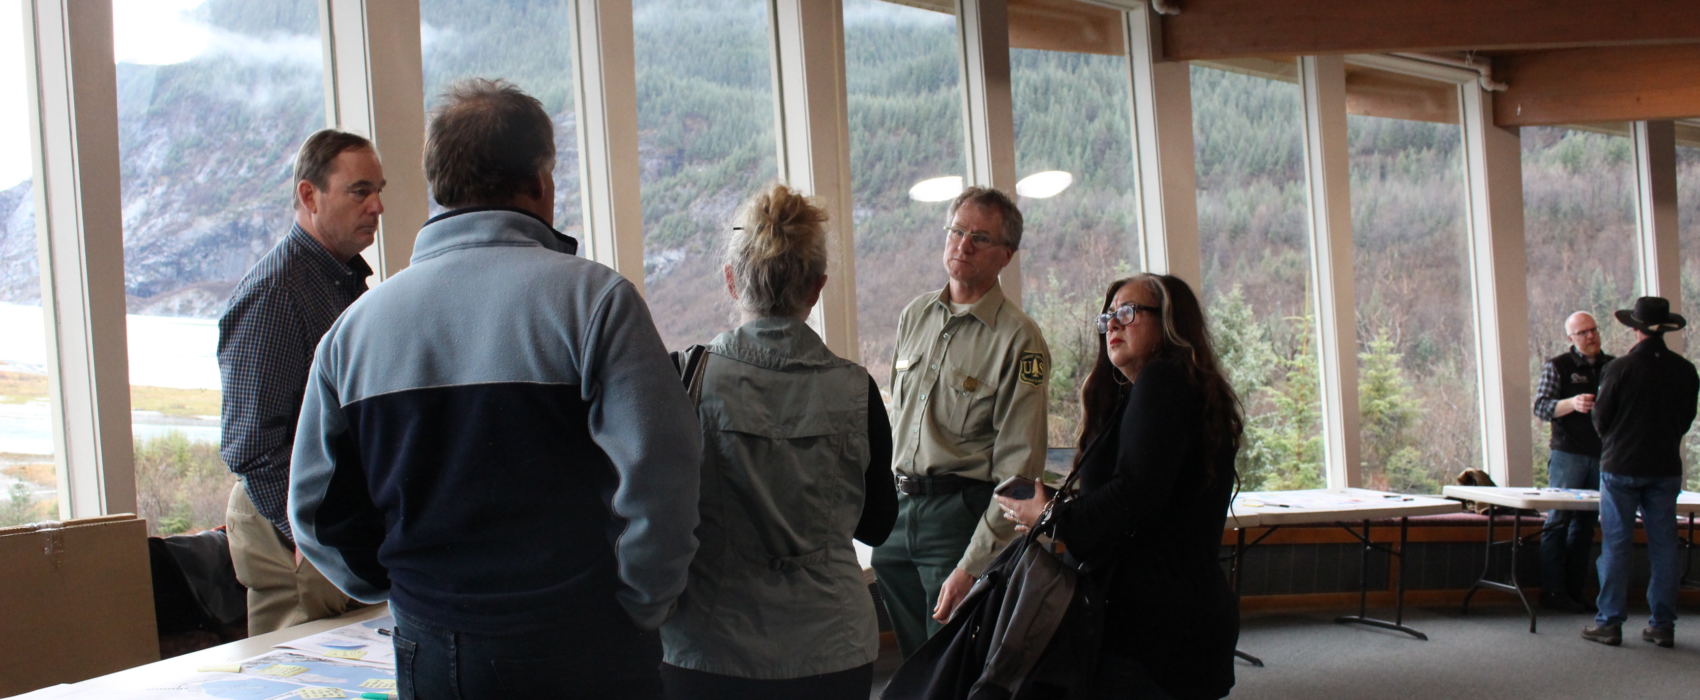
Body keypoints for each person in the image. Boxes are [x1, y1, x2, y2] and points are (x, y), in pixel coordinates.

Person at [288, 79, 700, 697]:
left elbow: (315, 509)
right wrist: (643, 602)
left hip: (429, 646)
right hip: (583, 643)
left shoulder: (355, 333)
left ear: (440, 187)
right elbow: (663, 477)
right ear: (539, 181)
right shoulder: (596, 304)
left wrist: (396, 586)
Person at [658, 185, 898, 700]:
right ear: (817, 288)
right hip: (832, 646)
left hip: (709, 644)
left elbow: (659, 511)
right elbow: (878, 524)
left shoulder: (685, 380)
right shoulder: (858, 390)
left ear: (730, 281)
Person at [998, 273, 1241, 698]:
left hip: (1155, 628)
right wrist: (1059, 506)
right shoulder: (1178, 389)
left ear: (1169, 322)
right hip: (1176, 617)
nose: (1112, 324)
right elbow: (1154, 497)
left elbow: (1134, 497)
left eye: (1128, 312)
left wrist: (1051, 515)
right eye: (1108, 315)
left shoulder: (1163, 382)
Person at [871, 186, 1050, 657]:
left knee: (954, 664)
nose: (963, 245)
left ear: (1005, 255)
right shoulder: (915, 316)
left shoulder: (1018, 339)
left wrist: (974, 562)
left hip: (959, 520)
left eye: (980, 238)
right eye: (956, 231)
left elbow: (1019, 473)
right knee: (912, 663)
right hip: (899, 514)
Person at [218, 128, 383, 635]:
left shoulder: (344, 283)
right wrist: (307, 534)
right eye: (360, 191)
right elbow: (250, 444)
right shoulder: (275, 292)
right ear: (309, 195)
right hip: (293, 531)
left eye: (380, 191)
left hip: (336, 521)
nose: (377, 206)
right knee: (296, 676)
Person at [1582, 296, 1697, 648]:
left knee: (1617, 543)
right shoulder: (1685, 370)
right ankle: (1662, 625)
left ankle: (1610, 622)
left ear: (1635, 329)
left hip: (1621, 465)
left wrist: (1616, 439)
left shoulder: (1619, 369)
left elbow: (1601, 419)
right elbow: (1685, 420)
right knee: (1664, 545)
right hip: (1664, 467)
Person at [1532, 311, 1613, 612]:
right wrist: (1572, 404)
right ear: (1571, 339)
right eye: (1582, 333)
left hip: (1604, 454)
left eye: (1593, 330)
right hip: (1568, 454)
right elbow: (1541, 408)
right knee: (1557, 522)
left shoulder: (1613, 366)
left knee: (1586, 525)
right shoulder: (1558, 366)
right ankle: (1553, 592)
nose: (1590, 336)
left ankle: (1576, 593)